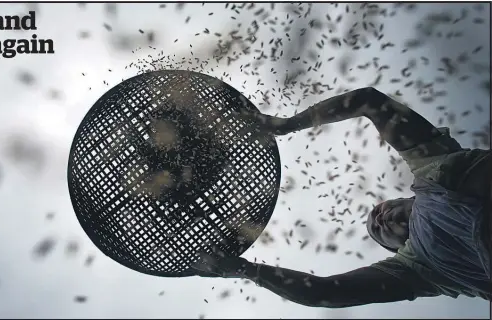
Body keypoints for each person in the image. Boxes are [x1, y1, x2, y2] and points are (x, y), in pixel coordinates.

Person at [192, 87, 491, 307]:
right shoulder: (420, 271)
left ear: (407, 198)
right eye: (378, 231)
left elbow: (369, 101)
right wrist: (247, 270)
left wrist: (284, 126)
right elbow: (325, 292)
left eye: (378, 211)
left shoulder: (433, 165)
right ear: (397, 249)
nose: (379, 218)